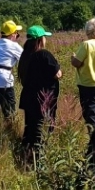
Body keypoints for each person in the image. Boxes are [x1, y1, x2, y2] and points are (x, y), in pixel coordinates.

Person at [17, 25, 61, 155]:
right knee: (41, 131)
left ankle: (26, 154)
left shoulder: (25, 55)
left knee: (30, 129)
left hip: (29, 97)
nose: (45, 40)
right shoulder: (44, 54)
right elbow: (57, 74)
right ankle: (38, 160)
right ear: (40, 40)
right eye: (44, 37)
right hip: (43, 99)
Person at [70, 18, 95, 135]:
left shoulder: (86, 45)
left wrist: (73, 58)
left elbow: (77, 63)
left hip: (87, 84)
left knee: (90, 114)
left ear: (87, 31)